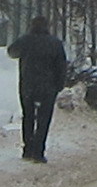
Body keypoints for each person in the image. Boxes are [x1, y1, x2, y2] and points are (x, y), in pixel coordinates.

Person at [9, 20, 71, 163]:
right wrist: (59, 85)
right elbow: (61, 66)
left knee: (28, 116)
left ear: (31, 26)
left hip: (27, 85)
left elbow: (11, 52)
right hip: (48, 87)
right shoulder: (55, 43)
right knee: (44, 119)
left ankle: (27, 148)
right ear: (47, 27)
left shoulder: (25, 41)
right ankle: (39, 151)